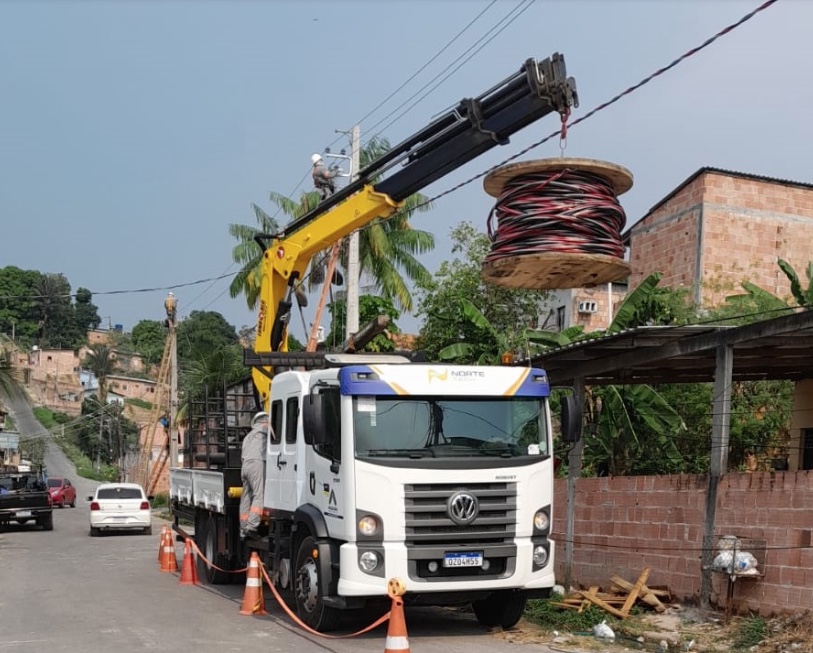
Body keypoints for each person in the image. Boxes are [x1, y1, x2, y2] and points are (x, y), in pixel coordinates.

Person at [240, 411, 269, 539]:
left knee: (246, 496)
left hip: (245, 465)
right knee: (259, 494)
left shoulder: (249, 436)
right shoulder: (266, 429)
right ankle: (251, 527)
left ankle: (243, 528)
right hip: (257, 463)